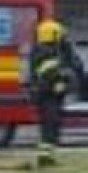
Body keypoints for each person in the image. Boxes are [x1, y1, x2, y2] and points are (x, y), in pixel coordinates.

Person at [24, 18, 82, 165]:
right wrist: (62, 81)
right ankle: (45, 157)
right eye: (59, 35)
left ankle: (48, 155)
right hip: (47, 96)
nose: (62, 38)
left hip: (48, 95)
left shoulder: (44, 51)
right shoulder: (46, 53)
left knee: (51, 125)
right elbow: (52, 73)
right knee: (50, 125)